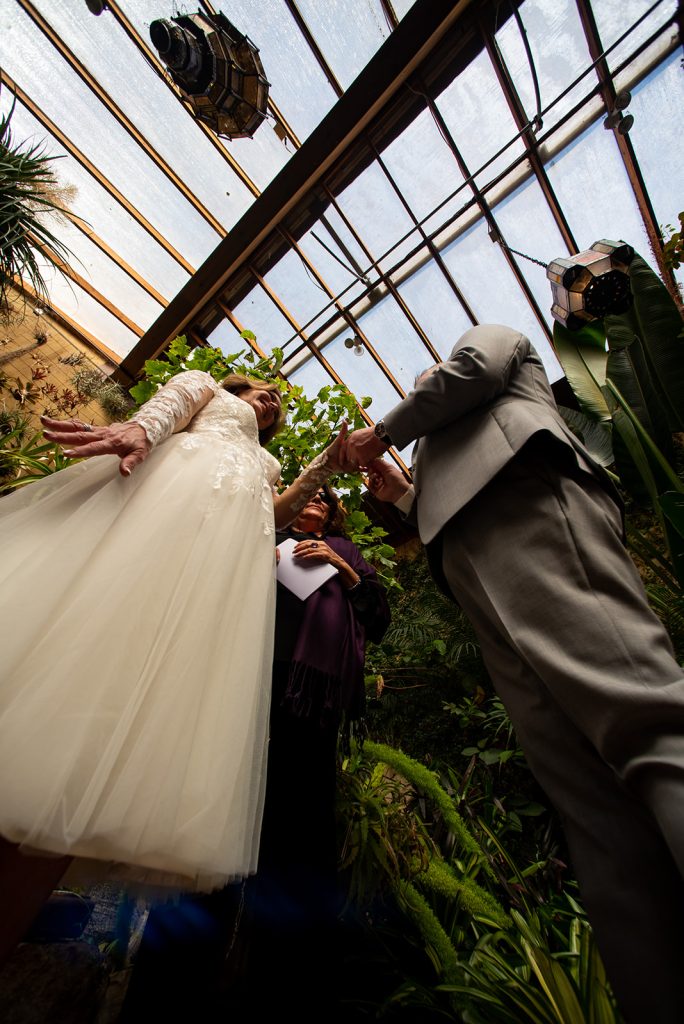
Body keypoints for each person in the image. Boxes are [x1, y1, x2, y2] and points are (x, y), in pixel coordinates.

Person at [346, 323, 684, 1024]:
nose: (419, 395)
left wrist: (381, 430)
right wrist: (404, 492)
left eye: (421, 390)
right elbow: (439, 497)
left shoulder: (492, 348)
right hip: (472, 566)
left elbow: (474, 367)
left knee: (643, 721)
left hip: (529, 498)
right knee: (588, 806)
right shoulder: (440, 453)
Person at [0, 368, 352, 966]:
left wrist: (323, 467)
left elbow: (278, 512)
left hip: (207, 579)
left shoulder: (263, 464)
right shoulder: (210, 392)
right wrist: (140, 430)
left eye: (278, 405)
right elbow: (173, 402)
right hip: (167, 523)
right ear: (239, 392)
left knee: (101, 755)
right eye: (264, 392)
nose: (272, 401)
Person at [119, 483, 391, 1021]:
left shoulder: (348, 553)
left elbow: (377, 622)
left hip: (310, 701)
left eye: (326, 502)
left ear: (335, 517)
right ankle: (172, 983)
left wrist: (342, 564)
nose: (316, 503)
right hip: (245, 679)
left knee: (300, 821)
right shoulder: (266, 535)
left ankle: (284, 985)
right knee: (218, 805)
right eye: (309, 497)